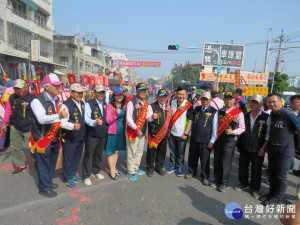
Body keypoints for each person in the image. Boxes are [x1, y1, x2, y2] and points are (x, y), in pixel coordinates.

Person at [30, 73, 68, 198]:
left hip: (55, 137)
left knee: (52, 163)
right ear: (46, 87)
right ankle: (44, 188)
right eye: (56, 86)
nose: (58, 88)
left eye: (59, 86)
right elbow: (41, 119)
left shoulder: (56, 100)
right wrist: (59, 116)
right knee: (43, 164)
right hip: (43, 138)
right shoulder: (37, 100)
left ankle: (48, 182)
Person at [259, 93, 300, 206]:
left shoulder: (289, 114)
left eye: (274, 102)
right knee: (272, 173)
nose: (271, 104)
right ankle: (271, 194)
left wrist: (298, 148)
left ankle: (277, 198)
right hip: (273, 149)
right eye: (269, 102)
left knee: (281, 175)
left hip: (286, 151)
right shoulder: (272, 114)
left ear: (280, 101)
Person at [235, 94, 269, 199]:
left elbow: (268, 134)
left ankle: (254, 188)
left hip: (258, 148)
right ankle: (243, 183)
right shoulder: (244, 115)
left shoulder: (266, 117)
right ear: (249, 103)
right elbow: (240, 130)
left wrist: (263, 148)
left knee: (256, 169)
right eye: (252, 102)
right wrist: (239, 145)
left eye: (256, 102)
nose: (253, 104)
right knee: (243, 166)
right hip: (245, 146)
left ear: (261, 104)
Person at [211, 91, 245, 192]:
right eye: (226, 98)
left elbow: (242, 128)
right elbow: (215, 125)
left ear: (234, 100)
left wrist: (233, 131)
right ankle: (217, 179)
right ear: (224, 99)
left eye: (230, 99)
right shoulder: (220, 111)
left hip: (230, 141)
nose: (228, 100)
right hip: (219, 139)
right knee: (217, 160)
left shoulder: (238, 113)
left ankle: (224, 183)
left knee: (226, 162)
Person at [1, 79, 35, 175]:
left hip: (29, 127)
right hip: (15, 126)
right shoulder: (12, 98)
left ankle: (38, 160)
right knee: (15, 148)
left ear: (25, 87)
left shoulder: (32, 98)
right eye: (16, 89)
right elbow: (8, 111)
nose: (18, 91)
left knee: (29, 148)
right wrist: (4, 123)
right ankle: (21, 165)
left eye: (20, 88)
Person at [185, 91, 218, 186]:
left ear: (210, 100)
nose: (205, 101)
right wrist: (190, 134)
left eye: (207, 99)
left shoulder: (214, 111)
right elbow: (192, 122)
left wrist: (212, 140)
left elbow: (215, 128)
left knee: (205, 160)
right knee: (192, 157)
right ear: (201, 100)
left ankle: (204, 176)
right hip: (195, 138)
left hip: (206, 140)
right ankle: (192, 171)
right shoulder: (196, 109)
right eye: (203, 99)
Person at [60, 83, 86, 188]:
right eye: (78, 93)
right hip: (70, 136)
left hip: (80, 136)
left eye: (81, 93)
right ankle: (67, 177)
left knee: (76, 157)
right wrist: (72, 126)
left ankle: (73, 173)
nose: (80, 95)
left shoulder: (82, 103)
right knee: (68, 158)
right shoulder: (66, 105)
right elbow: (61, 122)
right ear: (72, 93)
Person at [83, 84, 108, 186]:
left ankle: (96, 171)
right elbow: (86, 118)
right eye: (99, 92)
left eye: (103, 92)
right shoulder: (89, 103)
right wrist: (94, 122)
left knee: (98, 154)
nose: (101, 94)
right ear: (94, 93)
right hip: (92, 134)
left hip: (102, 134)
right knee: (88, 155)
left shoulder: (105, 104)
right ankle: (86, 175)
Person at [166, 87, 193, 177]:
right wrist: (168, 130)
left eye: (183, 94)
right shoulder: (172, 102)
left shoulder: (188, 105)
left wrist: (186, 133)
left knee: (181, 152)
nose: (181, 96)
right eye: (179, 94)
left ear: (186, 95)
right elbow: (169, 117)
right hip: (172, 132)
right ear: (176, 94)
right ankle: (171, 165)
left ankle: (179, 167)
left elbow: (190, 120)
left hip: (182, 134)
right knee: (172, 151)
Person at [146, 89, 171, 177]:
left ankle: (159, 167)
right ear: (157, 96)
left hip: (164, 134)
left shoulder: (168, 106)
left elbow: (169, 120)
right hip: (154, 134)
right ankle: (149, 168)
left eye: (165, 97)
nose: (163, 98)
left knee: (162, 152)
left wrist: (169, 131)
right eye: (161, 96)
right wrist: (152, 117)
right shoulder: (151, 106)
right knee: (151, 153)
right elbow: (147, 118)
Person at [126, 83, 148, 181]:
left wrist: (152, 117)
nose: (143, 92)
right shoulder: (132, 102)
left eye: (144, 91)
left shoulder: (145, 102)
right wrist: (136, 128)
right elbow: (128, 118)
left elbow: (146, 117)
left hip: (142, 131)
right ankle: (130, 171)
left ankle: (136, 167)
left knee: (139, 151)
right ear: (136, 91)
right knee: (132, 152)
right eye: (141, 90)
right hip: (133, 132)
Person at [105, 87, 127, 180]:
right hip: (112, 130)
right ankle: (111, 170)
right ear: (113, 96)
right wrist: (116, 114)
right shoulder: (110, 106)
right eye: (117, 95)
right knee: (111, 151)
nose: (119, 97)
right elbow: (108, 120)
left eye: (121, 95)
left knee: (117, 150)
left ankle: (114, 168)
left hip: (121, 129)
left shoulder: (123, 105)